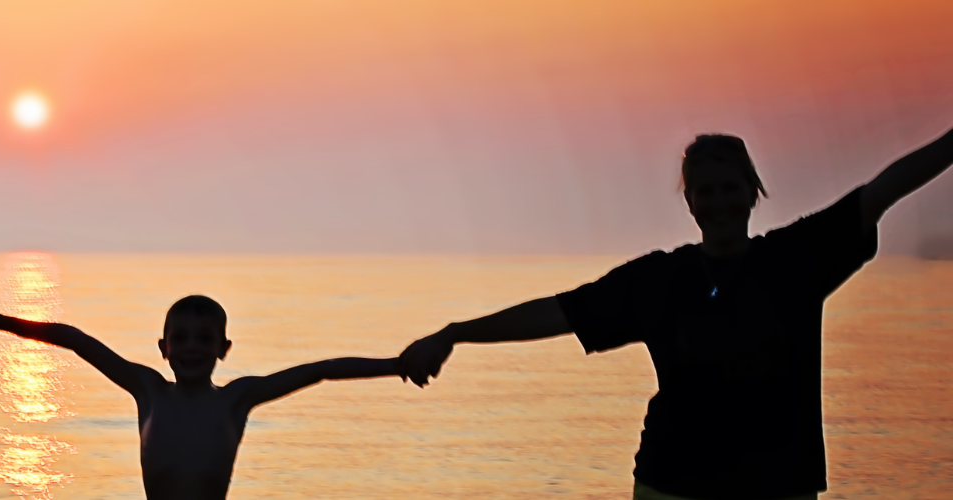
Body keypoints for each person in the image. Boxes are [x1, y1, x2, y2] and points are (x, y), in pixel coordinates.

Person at [397, 129, 953, 500]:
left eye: (731, 188)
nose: (719, 203)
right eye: (704, 192)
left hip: (779, 484)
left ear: (754, 192)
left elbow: (883, 190)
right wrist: (456, 334)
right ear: (689, 201)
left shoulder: (795, 260)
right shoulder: (656, 280)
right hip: (674, 484)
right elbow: (558, 313)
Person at [0, 295, 400, 500]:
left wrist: (397, 365)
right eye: (181, 339)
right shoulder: (148, 389)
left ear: (223, 348)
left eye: (204, 339)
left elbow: (320, 371)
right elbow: (75, 339)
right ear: (164, 348)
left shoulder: (237, 398)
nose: (192, 347)